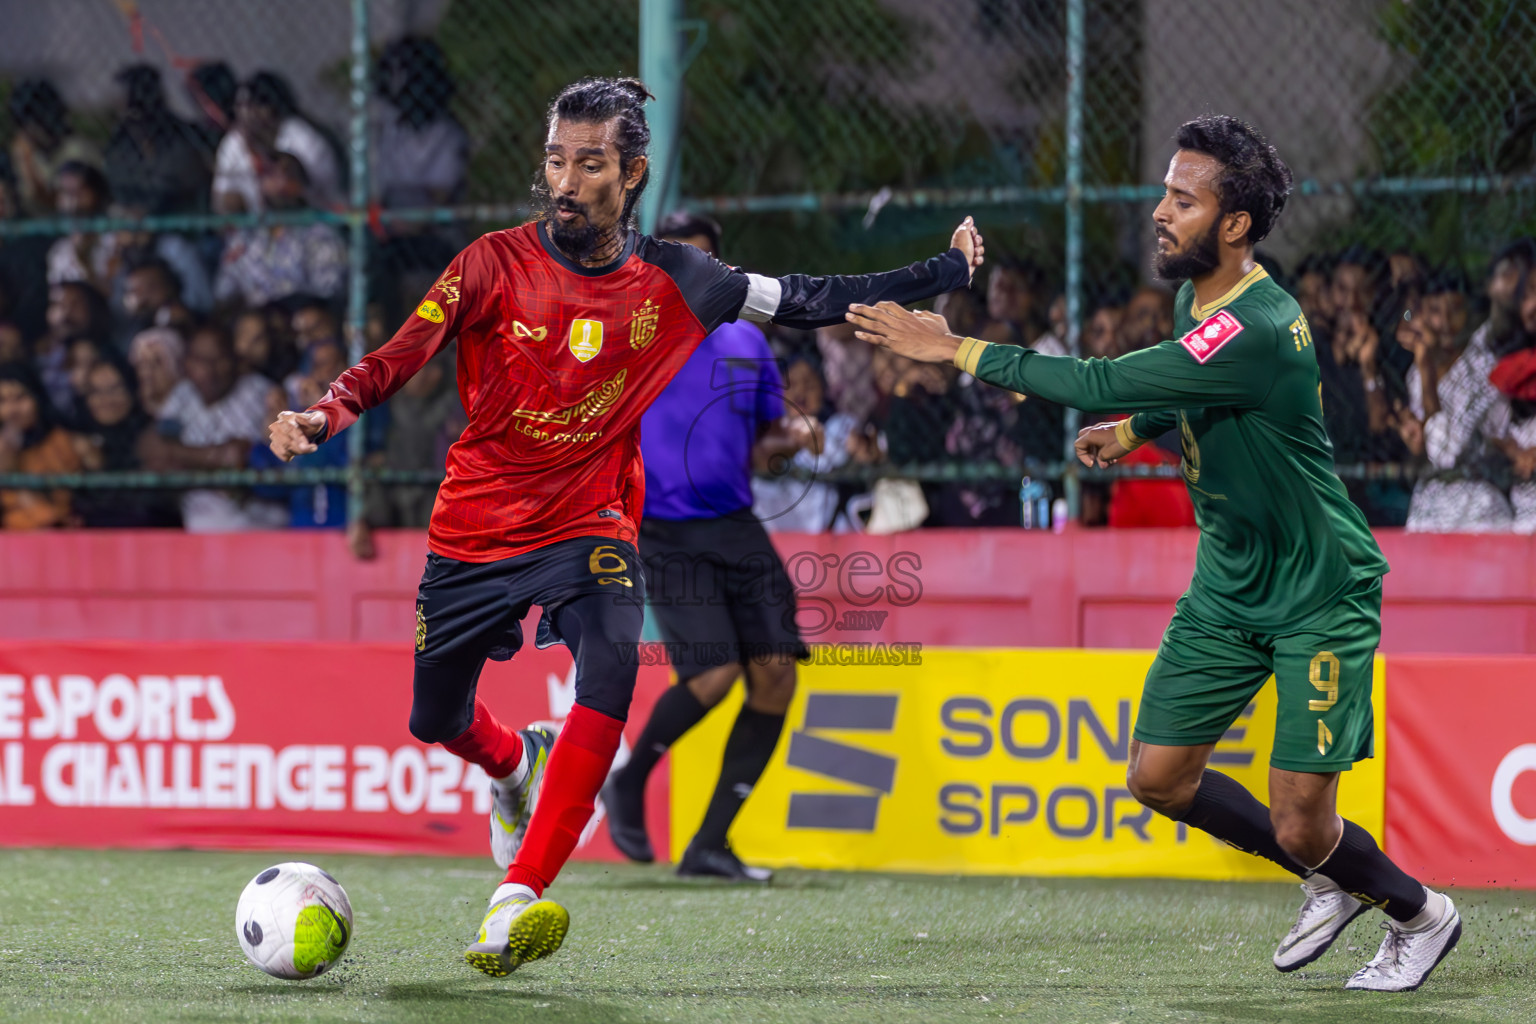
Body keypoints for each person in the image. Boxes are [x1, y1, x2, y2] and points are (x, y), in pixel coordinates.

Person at [265, 76, 981, 977]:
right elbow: (399, 353)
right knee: (434, 717)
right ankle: (510, 765)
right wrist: (324, 415)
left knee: (610, 669)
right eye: (556, 160)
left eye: (589, 163)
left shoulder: (684, 280)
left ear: (630, 174)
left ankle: (513, 899)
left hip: (591, 520)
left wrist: (945, 274)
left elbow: (811, 295)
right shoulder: (490, 262)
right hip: (476, 528)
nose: (565, 180)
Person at [848, 115, 1458, 993]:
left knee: (1298, 825)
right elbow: (1184, 391)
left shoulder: (1257, 320)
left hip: (1318, 588)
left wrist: (954, 348)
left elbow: (1103, 377)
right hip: (1229, 584)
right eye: (1164, 193)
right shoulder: (1199, 300)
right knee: (1161, 778)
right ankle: (1332, 880)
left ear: (1236, 223)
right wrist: (1136, 431)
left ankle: (1419, 912)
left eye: (1183, 198)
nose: (1160, 211)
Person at [600, 211, 819, 882]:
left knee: (777, 674)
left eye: (706, 265)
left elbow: (761, 448)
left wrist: (792, 442)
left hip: (735, 523)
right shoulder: (629, 341)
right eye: (679, 263)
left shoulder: (747, 345)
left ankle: (710, 846)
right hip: (662, 527)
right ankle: (629, 781)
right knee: (715, 675)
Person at [214, 154, 347, 307]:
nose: (280, 182)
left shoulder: (321, 236)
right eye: (271, 174)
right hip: (254, 320)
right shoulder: (246, 237)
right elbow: (224, 292)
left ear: (301, 184)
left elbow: (329, 294)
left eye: (288, 174)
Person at [212, 72, 340, 214]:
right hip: (256, 225)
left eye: (251, 105)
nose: (244, 114)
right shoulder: (234, 142)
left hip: (310, 216)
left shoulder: (301, 138)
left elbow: (313, 190)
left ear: (270, 108)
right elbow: (222, 198)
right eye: (239, 106)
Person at [0, 363, 84, 529]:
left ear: (37, 398)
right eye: (2, 401)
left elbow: (68, 506)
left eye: (20, 398)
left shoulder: (61, 442)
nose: (12, 410)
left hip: (59, 538)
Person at [8, 79, 103, 216]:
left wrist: (27, 167)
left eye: (33, 122)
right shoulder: (33, 154)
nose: (26, 132)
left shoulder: (76, 149)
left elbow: (66, 203)